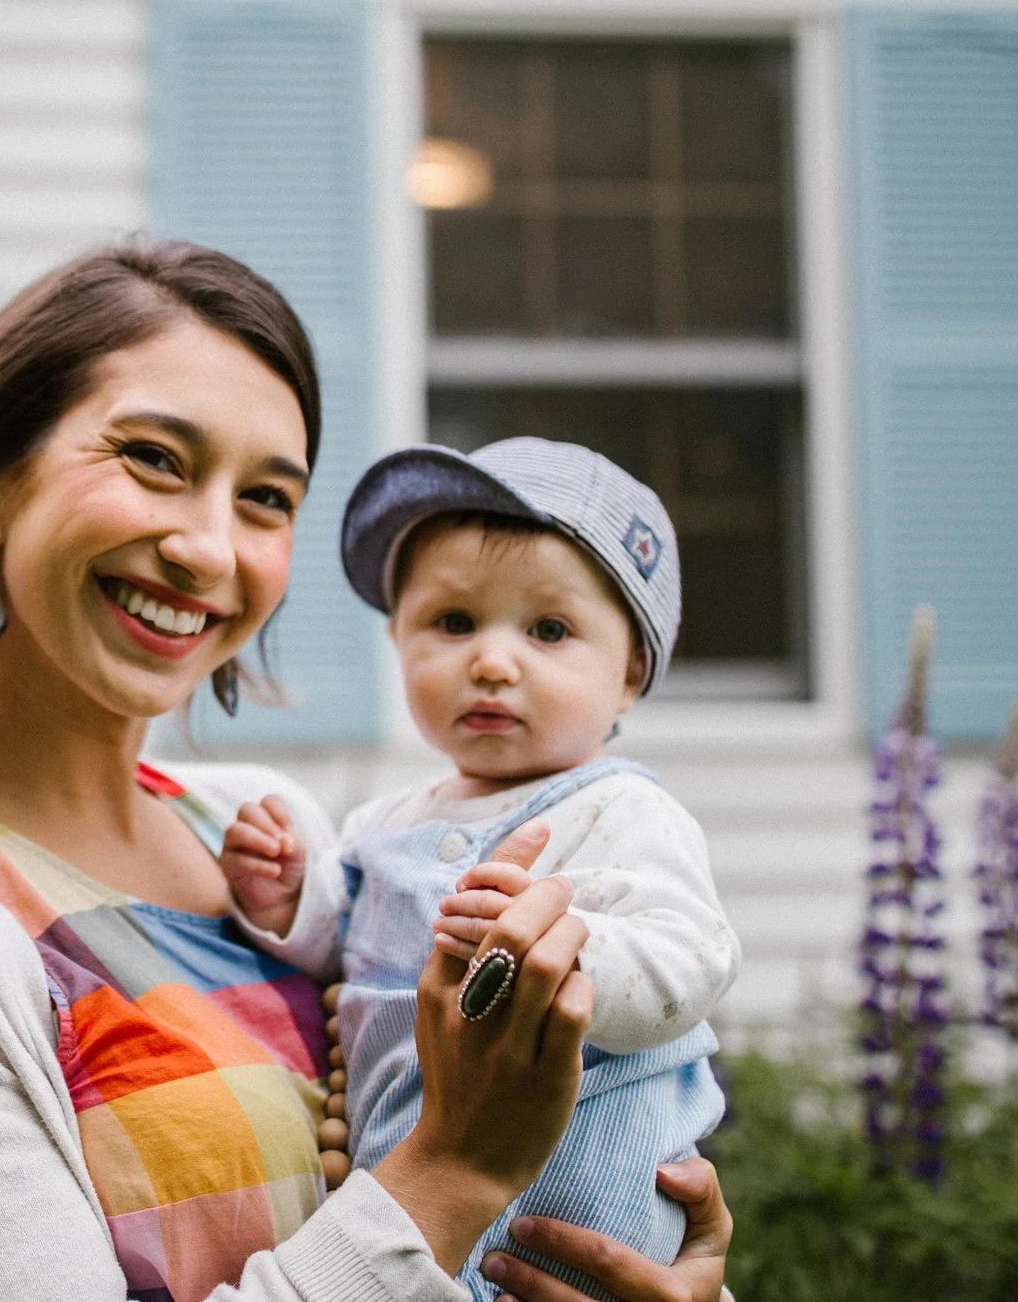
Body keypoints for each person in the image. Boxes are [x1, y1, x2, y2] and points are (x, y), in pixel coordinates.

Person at [0, 247, 734, 1302]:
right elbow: (436, 1168)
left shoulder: (258, 835)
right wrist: (453, 1169)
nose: (208, 549)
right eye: (152, 458)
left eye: (267, 498)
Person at [221, 440, 738, 1302]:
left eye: (549, 630)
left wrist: (567, 952)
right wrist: (289, 897)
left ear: (630, 673)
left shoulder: (622, 811)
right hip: (417, 1223)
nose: (493, 661)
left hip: (583, 1218)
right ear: (398, 637)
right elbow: (338, 945)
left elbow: (692, 959)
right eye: (454, 622)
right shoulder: (383, 823)